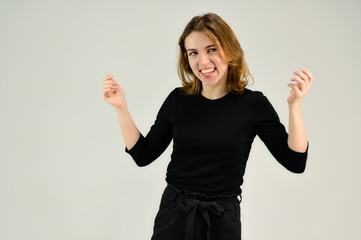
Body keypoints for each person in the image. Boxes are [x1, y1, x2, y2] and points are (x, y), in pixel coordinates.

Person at [102, 13, 313, 240]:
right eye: (194, 53)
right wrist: (121, 107)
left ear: (230, 51)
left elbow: (295, 162)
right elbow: (143, 155)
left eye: (211, 49)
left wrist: (294, 106)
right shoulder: (177, 100)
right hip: (173, 216)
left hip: (221, 220)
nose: (203, 62)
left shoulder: (253, 105)